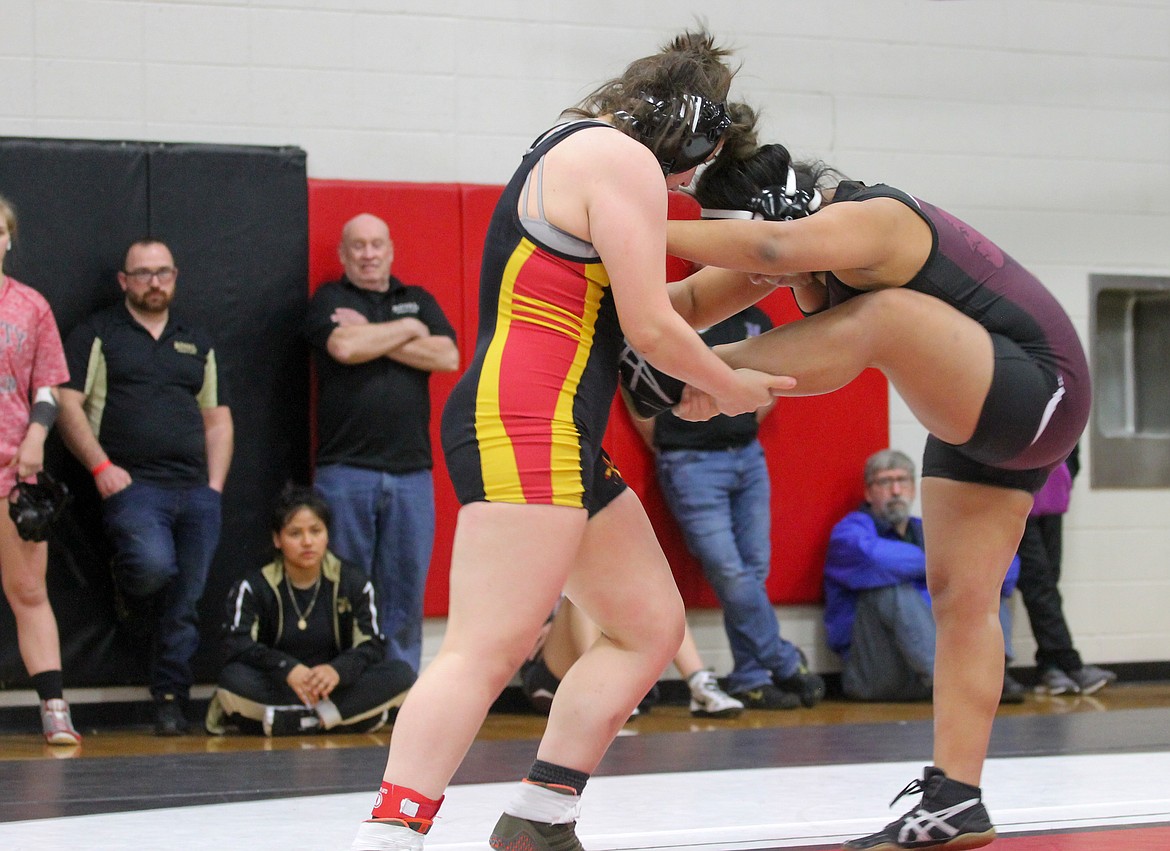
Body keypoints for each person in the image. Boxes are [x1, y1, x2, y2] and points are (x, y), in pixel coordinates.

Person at [349, 29, 791, 851]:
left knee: (647, 628)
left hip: (553, 427)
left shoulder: (590, 153)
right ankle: (389, 834)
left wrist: (767, 268)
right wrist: (729, 385)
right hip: (528, 419)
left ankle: (539, 817)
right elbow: (658, 330)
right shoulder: (616, 161)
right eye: (702, 161)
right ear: (690, 131)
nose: (694, 182)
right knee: (492, 643)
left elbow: (654, 314)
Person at [663, 132, 1090, 849]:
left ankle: (691, 375)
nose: (776, 285)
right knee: (960, 598)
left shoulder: (873, 218)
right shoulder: (790, 239)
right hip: (981, 408)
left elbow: (768, 254)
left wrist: (623, 219)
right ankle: (956, 800)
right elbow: (693, 293)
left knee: (882, 320)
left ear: (784, 214)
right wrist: (589, 305)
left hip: (1039, 389)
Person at [57, 238, 234, 736]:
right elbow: (68, 404)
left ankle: (171, 700)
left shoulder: (195, 340)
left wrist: (215, 486)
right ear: (123, 281)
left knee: (187, 603)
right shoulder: (98, 333)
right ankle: (129, 589)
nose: (153, 282)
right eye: (142, 273)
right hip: (133, 486)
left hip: (195, 491)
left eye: (162, 273)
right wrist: (101, 468)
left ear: (175, 276)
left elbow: (217, 418)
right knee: (153, 568)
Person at [624, 305, 824, 711]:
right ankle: (783, 660)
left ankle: (751, 677)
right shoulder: (670, 314)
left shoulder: (758, 321)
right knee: (728, 569)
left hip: (747, 456)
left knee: (754, 568)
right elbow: (637, 392)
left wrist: (742, 416)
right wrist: (668, 441)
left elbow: (771, 387)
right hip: (689, 460)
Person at [304, 213, 459, 676]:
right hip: (345, 472)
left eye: (376, 245)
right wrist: (409, 332)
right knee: (345, 586)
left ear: (390, 250)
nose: (368, 254)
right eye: (358, 246)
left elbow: (448, 355)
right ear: (343, 254)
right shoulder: (329, 299)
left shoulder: (417, 300)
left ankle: (396, 685)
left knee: (403, 589)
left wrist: (375, 335)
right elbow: (344, 350)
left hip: (412, 472)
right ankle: (347, 681)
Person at [204, 485, 416, 737]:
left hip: (335, 688)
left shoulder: (354, 582)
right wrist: (288, 669)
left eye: (315, 531)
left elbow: (371, 645)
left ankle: (295, 721)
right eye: (295, 533)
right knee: (232, 680)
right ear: (277, 539)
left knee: (401, 674)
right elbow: (237, 644)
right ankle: (340, 718)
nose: (307, 542)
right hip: (279, 685)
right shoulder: (254, 586)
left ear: (327, 535)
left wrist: (337, 670)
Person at [824, 449, 1025, 705]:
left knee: (986, 581)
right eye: (885, 482)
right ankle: (948, 682)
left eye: (903, 481)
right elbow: (875, 559)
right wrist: (954, 564)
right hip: (876, 672)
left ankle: (995, 675)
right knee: (889, 587)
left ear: (913, 489)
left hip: (930, 669)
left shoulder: (927, 529)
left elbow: (1007, 569)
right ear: (868, 492)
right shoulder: (850, 531)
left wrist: (972, 571)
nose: (895, 491)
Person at [0, 193, 82, 745]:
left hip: (13, 469)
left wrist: (35, 436)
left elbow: (47, 386)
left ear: (7, 238)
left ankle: (54, 707)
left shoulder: (30, 305)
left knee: (29, 590)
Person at [519, 596, 744, 719]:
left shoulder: (609, 542)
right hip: (549, 667)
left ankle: (700, 685)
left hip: (610, 657)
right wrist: (540, 621)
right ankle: (600, 691)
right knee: (583, 593)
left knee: (656, 590)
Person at [1016, 443, 1116, 696]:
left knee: (1049, 581)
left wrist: (1066, 474)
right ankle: (1070, 663)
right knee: (1038, 583)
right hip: (1018, 502)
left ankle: (1050, 667)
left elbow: (1072, 439)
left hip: (1051, 499)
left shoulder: (1060, 401)